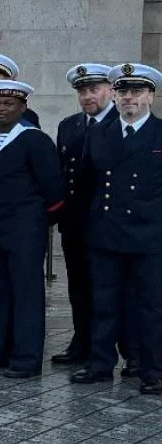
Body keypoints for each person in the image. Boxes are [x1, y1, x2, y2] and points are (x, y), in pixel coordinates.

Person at [72, 63, 162, 394]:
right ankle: (99, 365)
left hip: (149, 235)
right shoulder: (100, 132)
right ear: (115, 95)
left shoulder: (159, 133)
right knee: (103, 304)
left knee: (150, 307)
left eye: (136, 92)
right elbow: (85, 183)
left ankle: (153, 370)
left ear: (151, 96)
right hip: (106, 233)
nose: (129, 99)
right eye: (123, 92)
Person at [0, 80, 62, 377]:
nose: (0, 109)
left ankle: (26, 358)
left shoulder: (35, 139)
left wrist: (35, 223)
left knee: (25, 294)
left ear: (23, 107)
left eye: (8, 104)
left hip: (25, 229)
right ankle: (1, 351)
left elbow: (53, 189)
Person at [51, 64, 116, 367]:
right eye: (81, 90)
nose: (87, 96)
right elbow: (64, 174)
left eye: (94, 89)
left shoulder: (123, 122)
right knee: (78, 286)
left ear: (110, 90)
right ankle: (82, 342)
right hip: (75, 222)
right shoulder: (69, 125)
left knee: (110, 289)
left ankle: (124, 351)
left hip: (110, 223)